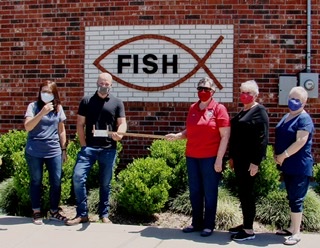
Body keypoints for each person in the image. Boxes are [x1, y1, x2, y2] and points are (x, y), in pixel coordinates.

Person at [166, 77, 230, 237]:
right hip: (192, 157)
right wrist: (178, 135)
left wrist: (219, 158)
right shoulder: (193, 108)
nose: (202, 91)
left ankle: (208, 225)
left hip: (210, 158)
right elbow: (191, 131)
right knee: (195, 191)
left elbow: (225, 136)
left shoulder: (219, 109)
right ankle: (196, 222)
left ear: (213, 91)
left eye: (206, 89)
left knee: (209, 192)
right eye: (200, 88)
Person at [65, 72, 127, 226]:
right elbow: (80, 124)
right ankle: (82, 214)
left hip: (108, 149)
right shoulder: (86, 101)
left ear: (111, 85)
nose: (104, 86)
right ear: (97, 82)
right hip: (89, 149)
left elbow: (122, 123)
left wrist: (120, 134)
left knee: (105, 183)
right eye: (101, 83)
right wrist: (83, 144)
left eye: (107, 84)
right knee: (78, 177)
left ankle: (104, 215)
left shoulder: (117, 103)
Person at [228, 80, 269, 241]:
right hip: (238, 160)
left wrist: (256, 162)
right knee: (242, 193)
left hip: (249, 162)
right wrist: (231, 157)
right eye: (242, 92)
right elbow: (236, 137)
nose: (244, 95)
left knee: (247, 194)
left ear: (256, 95)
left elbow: (263, 139)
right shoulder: (243, 111)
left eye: (248, 93)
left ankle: (249, 231)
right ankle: (246, 223)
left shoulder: (260, 111)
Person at [274, 86, 314, 246]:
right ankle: (291, 228)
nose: (294, 102)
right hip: (288, 165)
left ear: (304, 102)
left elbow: (301, 141)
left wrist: (284, 155)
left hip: (299, 165)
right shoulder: (287, 116)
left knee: (297, 198)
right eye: (292, 98)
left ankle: (296, 232)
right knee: (291, 197)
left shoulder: (304, 119)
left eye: (298, 99)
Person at [24, 80, 68, 225]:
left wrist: (64, 149)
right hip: (35, 150)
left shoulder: (58, 108)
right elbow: (28, 127)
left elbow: (61, 130)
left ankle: (54, 211)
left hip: (53, 150)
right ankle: (36, 211)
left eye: (49, 92)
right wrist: (42, 113)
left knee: (56, 181)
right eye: (43, 91)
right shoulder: (33, 106)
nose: (46, 94)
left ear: (54, 94)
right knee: (36, 181)